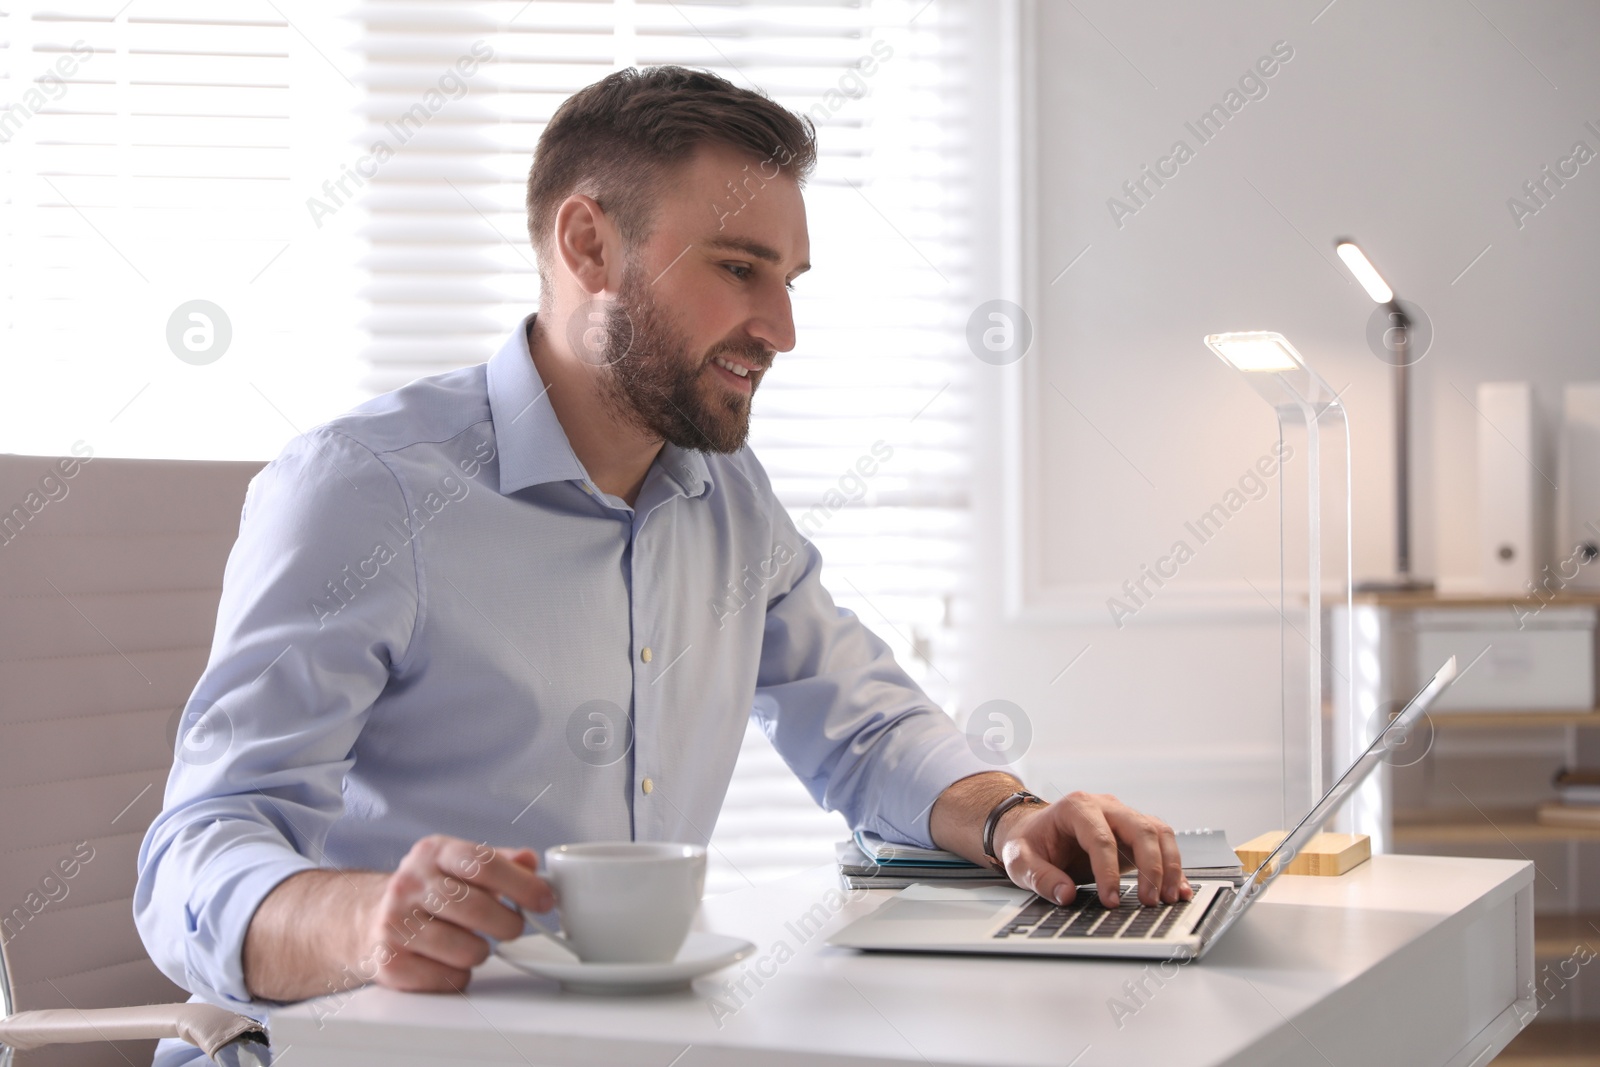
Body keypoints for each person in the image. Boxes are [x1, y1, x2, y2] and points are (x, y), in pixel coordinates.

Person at [134, 65, 1190, 1065]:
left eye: (787, 280)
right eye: (738, 269)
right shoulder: (364, 489)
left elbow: (864, 725)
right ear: (589, 244)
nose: (778, 328)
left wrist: (1010, 817)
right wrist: (365, 920)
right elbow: (194, 852)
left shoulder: (724, 493)